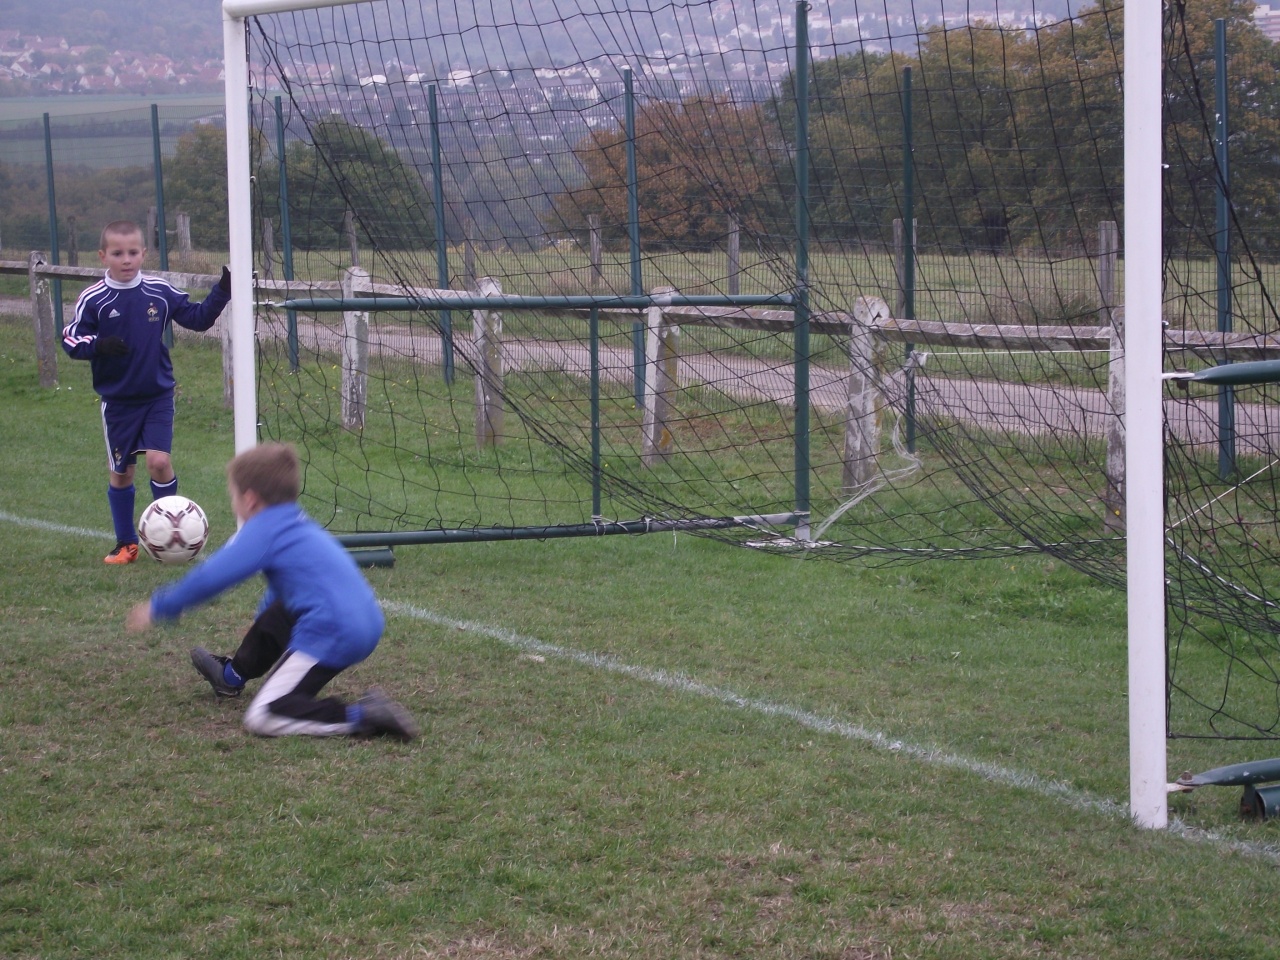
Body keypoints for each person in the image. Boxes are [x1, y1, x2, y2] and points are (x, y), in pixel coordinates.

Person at [125, 442, 418, 741]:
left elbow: (213, 576)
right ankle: (230, 677)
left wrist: (161, 606)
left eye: (233, 495)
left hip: (334, 630)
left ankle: (363, 717)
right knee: (275, 609)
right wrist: (261, 619)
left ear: (250, 500)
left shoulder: (263, 530)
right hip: (359, 618)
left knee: (264, 716)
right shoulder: (295, 521)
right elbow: (285, 592)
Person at [61, 219, 231, 564]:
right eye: (118, 253)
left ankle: (174, 534)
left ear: (144, 253)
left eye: (133, 252)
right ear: (102, 256)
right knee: (122, 472)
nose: (126, 260)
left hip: (158, 395)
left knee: (159, 461)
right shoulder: (93, 298)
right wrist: (98, 345)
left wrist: (223, 290)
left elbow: (198, 318)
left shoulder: (159, 291)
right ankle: (126, 543)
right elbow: (70, 339)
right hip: (118, 402)